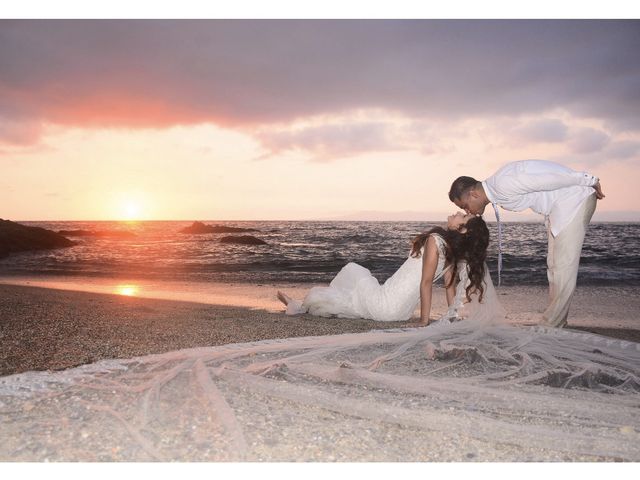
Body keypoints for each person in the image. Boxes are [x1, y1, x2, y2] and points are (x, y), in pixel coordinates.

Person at [448, 159, 604, 328]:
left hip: (575, 201)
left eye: (465, 206)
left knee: (563, 267)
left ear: (473, 194)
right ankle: (555, 322)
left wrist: (590, 180)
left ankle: (552, 326)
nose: (467, 211)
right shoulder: (496, 189)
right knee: (554, 267)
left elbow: (550, 180)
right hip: (559, 209)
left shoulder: (502, 185)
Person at [277, 212, 490, 324]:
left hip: (387, 305)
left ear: (462, 230)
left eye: (463, 216)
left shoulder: (436, 240)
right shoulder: (450, 251)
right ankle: (302, 304)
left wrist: (424, 322)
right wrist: (452, 318)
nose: (458, 213)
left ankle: (300, 304)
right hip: (400, 312)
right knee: (352, 297)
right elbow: (449, 287)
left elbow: (426, 283)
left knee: (352, 269)